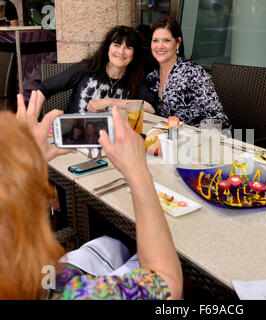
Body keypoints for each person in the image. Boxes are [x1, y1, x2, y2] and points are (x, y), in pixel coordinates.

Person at [0, 90, 182, 299]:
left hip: (46, 273)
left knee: (112, 244)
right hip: (50, 280)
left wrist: (28, 167)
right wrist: (138, 172)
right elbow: (167, 283)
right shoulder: (72, 295)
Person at [37, 25, 158, 115]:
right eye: (116, 45)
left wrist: (109, 102)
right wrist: (33, 122)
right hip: (74, 134)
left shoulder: (136, 76)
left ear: (134, 53)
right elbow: (44, 88)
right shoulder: (88, 68)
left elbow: (150, 108)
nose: (121, 52)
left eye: (128, 48)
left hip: (112, 140)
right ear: (107, 48)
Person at [146, 17, 231, 129]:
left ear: (178, 43)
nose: (159, 46)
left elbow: (218, 119)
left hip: (201, 139)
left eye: (166, 40)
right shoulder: (151, 76)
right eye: (155, 40)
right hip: (168, 138)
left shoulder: (193, 73)